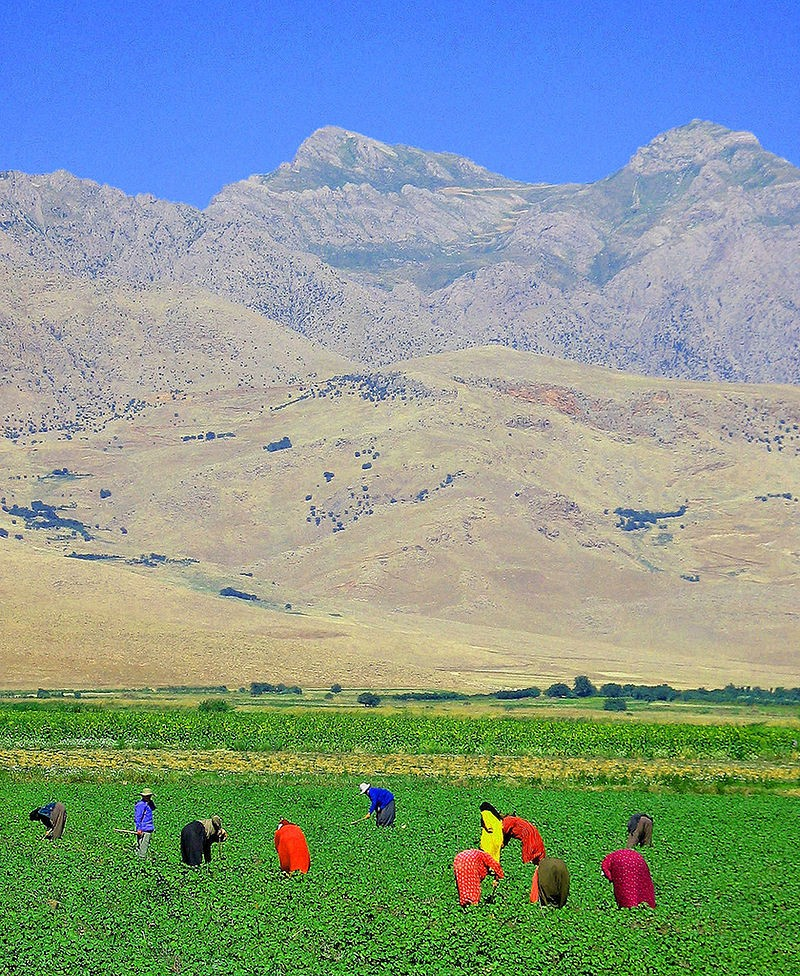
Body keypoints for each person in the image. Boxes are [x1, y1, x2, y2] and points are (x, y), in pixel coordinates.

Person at [134, 789, 155, 857]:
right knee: (143, 847)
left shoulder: (149, 803)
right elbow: (138, 818)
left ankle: (140, 858)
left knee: (143, 845)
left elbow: (153, 808)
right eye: (147, 796)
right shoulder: (140, 805)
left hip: (148, 828)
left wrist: (149, 802)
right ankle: (141, 860)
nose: (148, 797)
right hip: (143, 828)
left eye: (149, 796)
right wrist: (138, 829)